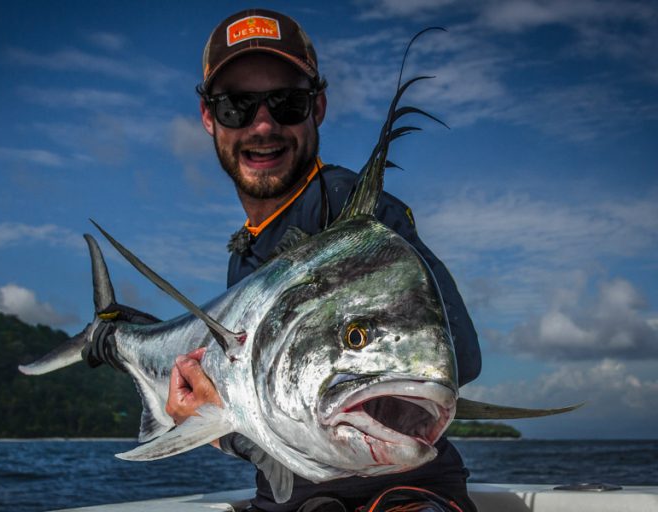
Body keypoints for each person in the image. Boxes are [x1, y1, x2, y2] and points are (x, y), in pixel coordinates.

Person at [166, 8, 481, 512]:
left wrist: (218, 424)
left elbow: (458, 354)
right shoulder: (247, 253)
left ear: (318, 107)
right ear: (208, 117)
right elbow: (269, 428)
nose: (262, 125)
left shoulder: (359, 213)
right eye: (236, 106)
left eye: (287, 103)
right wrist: (219, 428)